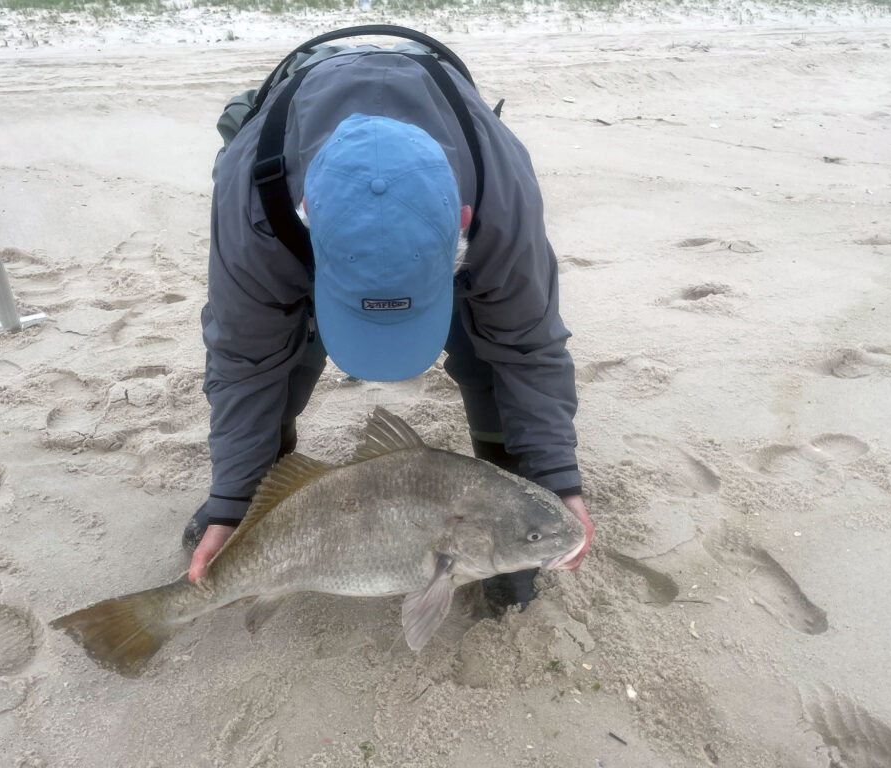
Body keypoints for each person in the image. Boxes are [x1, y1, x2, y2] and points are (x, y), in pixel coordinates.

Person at [184, 32, 593, 612]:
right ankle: (262, 503)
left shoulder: (501, 190)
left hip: (463, 179)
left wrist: (558, 480)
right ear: (303, 219)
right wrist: (230, 500)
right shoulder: (252, 204)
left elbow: (526, 343)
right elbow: (243, 357)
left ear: (464, 219)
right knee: (278, 346)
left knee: (491, 344)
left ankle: (511, 480)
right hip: (287, 193)